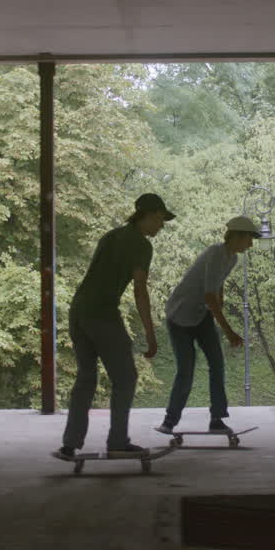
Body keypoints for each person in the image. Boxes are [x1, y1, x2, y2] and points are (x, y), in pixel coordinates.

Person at [58, 193, 175, 458]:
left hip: (78, 309)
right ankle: (118, 441)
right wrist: (150, 332)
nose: (161, 225)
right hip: (102, 312)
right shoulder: (142, 246)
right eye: (158, 219)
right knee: (126, 377)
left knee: (86, 378)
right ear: (146, 216)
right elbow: (140, 291)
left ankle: (69, 444)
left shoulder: (111, 236)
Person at [155, 215, 260, 435]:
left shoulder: (231, 259)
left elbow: (216, 284)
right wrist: (229, 330)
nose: (251, 244)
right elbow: (209, 297)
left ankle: (217, 420)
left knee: (217, 364)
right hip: (179, 316)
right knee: (186, 369)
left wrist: (220, 301)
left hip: (200, 315)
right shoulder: (215, 253)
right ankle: (169, 421)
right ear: (238, 236)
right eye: (249, 239)